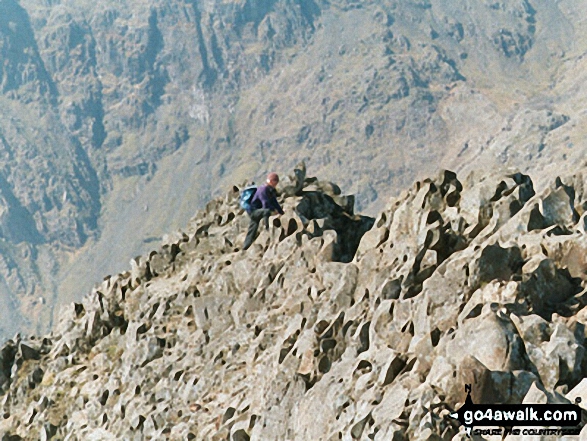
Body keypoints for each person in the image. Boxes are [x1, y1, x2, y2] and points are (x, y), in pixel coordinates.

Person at [242, 172, 284, 250]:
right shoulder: (263, 189)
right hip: (253, 212)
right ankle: (267, 228)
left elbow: (275, 202)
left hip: (258, 211)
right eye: (276, 182)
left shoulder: (270, 190)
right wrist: (274, 211)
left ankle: (245, 246)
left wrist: (281, 212)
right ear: (272, 181)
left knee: (252, 229)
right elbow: (265, 204)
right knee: (267, 211)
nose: (276, 184)